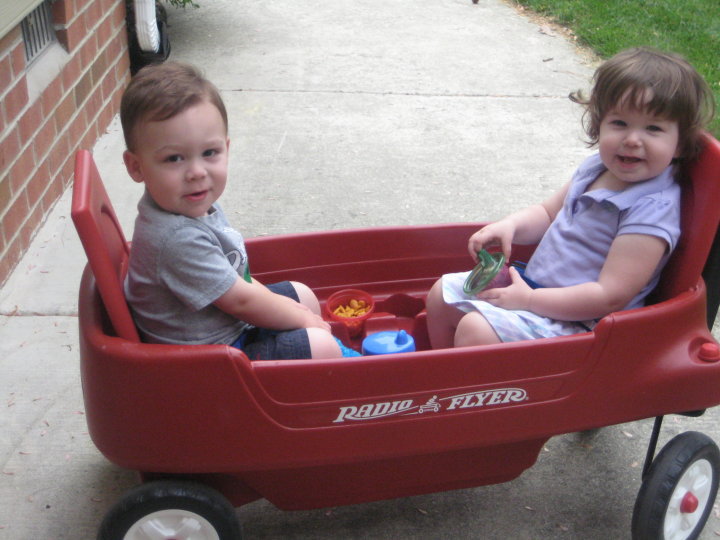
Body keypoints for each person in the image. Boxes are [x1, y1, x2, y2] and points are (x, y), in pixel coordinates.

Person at [426, 47, 715, 348]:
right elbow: (548, 213)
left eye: (653, 128)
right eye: (619, 123)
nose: (632, 139)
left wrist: (531, 300)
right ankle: (441, 371)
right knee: (442, 294)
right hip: (535, 292)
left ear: (680, 145)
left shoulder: (651, 210)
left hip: (584, 324)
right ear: (599, 124)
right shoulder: (596, 168)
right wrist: (510, 225)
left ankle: (469, 377)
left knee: (476, 330)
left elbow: (610, 296)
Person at [121, 61, 341, 359]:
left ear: (226, 148)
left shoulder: (190, 204)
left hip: (225, 324)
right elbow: (241, 301)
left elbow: (238, 279)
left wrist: (298, 312)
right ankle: (330, 377)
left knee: (303, 295)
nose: (197, 172)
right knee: (321, 343)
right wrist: (304, 321)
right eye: (174, 158)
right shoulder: (176, 238)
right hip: (207, 358)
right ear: (136, 167)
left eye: (209, 153)